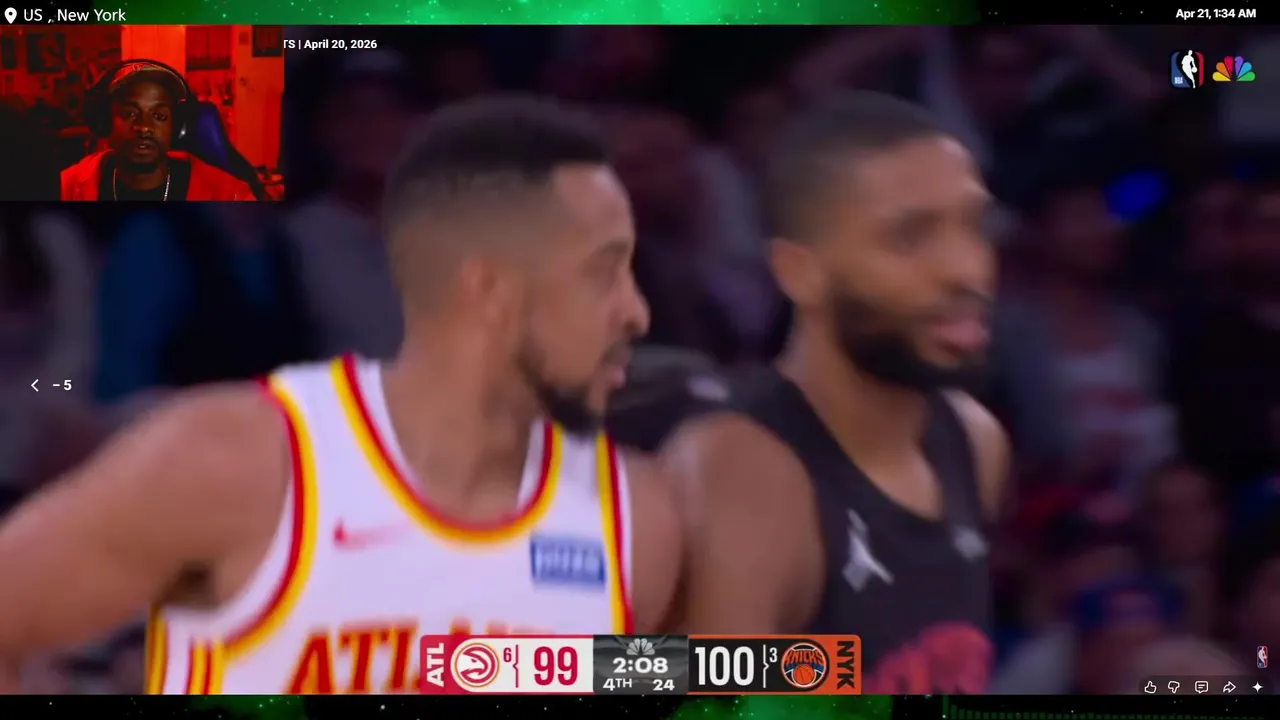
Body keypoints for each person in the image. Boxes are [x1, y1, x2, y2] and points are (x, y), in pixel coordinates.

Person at [0, 96, 680, 694]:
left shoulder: (636, 521)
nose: (635, 311)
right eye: (602, 273)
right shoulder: (235, 462)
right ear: (490, 289)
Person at [664, 92, 1008, 693]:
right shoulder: (743, 472)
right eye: (910, 237)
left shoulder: (977, 440)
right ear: (800, 273)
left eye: (974, 226)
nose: (967, 269)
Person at [60, 60, 256, 202]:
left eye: (159, 115)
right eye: (129, 113)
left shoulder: (225, 193)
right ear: (105, 122)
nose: (144, 126)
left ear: (178, 128)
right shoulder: (71, 186)